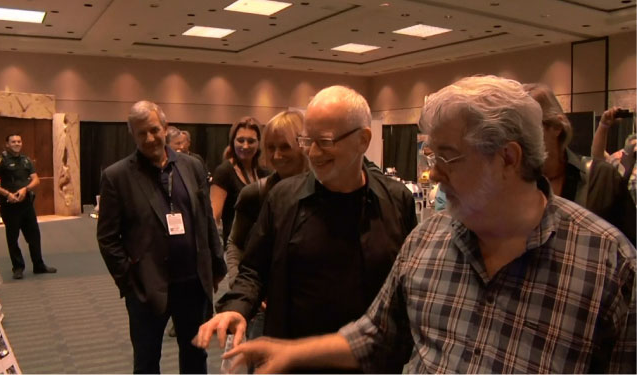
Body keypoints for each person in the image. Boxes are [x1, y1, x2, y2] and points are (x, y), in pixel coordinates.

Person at [220, 76, 636, 374]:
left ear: (508, 158)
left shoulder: (608, 267)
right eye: (430, 157)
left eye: (447, 157)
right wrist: (292, 353)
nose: (432, 176)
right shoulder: (429, 239)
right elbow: (377, 334)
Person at [193, 86, 418, 370]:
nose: (312, 152)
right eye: (306, 140)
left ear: (363, 140)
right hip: (294, 358)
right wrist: (238, 308)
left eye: (324, 141)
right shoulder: (282, 198)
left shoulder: (397, 201)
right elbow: (253, 271)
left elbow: (408, 285)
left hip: (372, 362)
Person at [97, 100, 226, 374]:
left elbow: (205, 219)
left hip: (193, 285)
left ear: (165, 128)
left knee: (195, 358)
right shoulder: (116, 176)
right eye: (141, 132)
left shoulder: (192, 166)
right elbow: (108, 238)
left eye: (154, 129)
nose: (149, 138)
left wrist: (216, 264)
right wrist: (129, 281)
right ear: (131, 134)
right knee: (146, 363)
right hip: (147, 288)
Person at [523, 84, 635, 244]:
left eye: (526, 127)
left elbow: (631, 245)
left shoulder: (602, 178)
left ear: (556, 127)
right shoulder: (513, 183)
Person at [225, 110, 308, 281]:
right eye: (271, 148)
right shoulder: (254, 193)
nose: (277, 156)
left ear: (303, 146)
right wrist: (238, 283)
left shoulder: (325, 191)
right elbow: (235, 244)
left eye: (285, 147)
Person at [0, 134, 56, 280]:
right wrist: (6, 194)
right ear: (7, 144)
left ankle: (39, 265)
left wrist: (26, 189)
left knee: (34, 236)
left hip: (26, 204)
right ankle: (18, 268)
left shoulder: (26, 160)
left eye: (19, 141)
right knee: (13, 237)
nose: (17, 144)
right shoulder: (1, 160)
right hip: (10, 205)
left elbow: (36, 180)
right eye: (13, 142)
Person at [210, 117, 267, 245]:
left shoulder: (264, 172)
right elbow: (214, 217)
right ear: (232, 142)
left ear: (259, 143)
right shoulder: (224, 172)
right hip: (234, 248)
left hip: (259, 247)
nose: (245, 146)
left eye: (251, 141)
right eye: (240, 140)